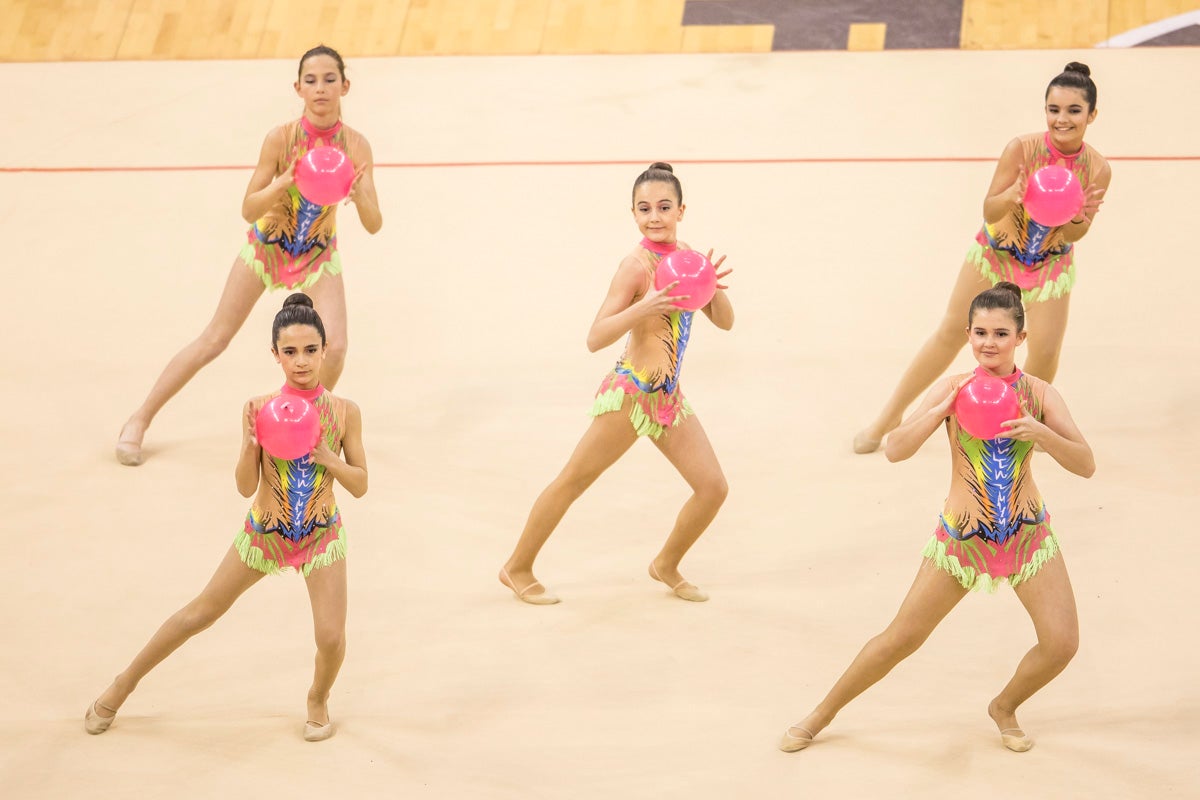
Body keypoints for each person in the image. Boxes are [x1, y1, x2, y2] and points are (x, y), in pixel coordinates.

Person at [782, 282, 1094, 753]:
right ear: (969, 334)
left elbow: (1086, 463)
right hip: (963, 538)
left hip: (1027, 537)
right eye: (980, 332)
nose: (989, 343)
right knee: (901, 637)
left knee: (1062, 643)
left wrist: (1041, 434)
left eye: (1001, 334)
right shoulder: (953, 388)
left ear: (1020, 338)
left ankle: (1005, 705)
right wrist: (938, 413)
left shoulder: (1041, 394)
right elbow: (894, 450)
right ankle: (819, 715)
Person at [86, 294, 368, 741]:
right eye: (290, 352)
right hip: (265, 534)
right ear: (275, 354)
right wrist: (249, 447)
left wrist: (329, 459)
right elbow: (243, 486)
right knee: (200, 612)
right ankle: (124, 683)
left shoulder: (344, 411)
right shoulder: (258, 409)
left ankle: (317, 696)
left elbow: (360, 483)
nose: (301, 362)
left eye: (310, 350)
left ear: (325, 349)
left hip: (320, 536)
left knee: (331, 637)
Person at [115, 44, 382, 466]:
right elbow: (248, 207)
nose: (321, 89)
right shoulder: (280, 139)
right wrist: (284, 182)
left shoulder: (357, 147)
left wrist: (360, 194)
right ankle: (139, 418)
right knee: (215, 338)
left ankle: (306, 431)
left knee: (338, 346)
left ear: (345, 85)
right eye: (311, 81)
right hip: (268, 248)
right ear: (297, 88)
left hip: (317, 254)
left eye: (330, 80)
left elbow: (373, 223)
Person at [499, 163, 734, 604]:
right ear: (632, 213)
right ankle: (516, 567)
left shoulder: (687, 258)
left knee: (713, 488)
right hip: (630, 398)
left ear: (682, 210)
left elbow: (725, 322)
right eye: (644, 208)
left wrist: (711, 287)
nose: (654, 217)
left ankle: (666, 562)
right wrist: (644, 307)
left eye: (664, 207)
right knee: (573, 480)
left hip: (667, 400)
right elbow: (595, 337)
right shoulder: (635, 266)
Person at [853, 62, 1110, 454]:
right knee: (950, 331)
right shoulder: (1021, 149)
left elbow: (1077, 233)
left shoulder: (1098, 169)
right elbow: (989, 210)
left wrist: (1076, 219)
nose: (1062, 119)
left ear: (1091, 115)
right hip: (997, 254)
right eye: (1054, 109)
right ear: (1045, 111)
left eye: (1074, 110)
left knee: (1044, 350)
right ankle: (889, 416)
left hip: (1049, 266)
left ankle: (1019, 426)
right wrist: (1014, 195)